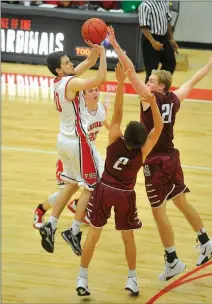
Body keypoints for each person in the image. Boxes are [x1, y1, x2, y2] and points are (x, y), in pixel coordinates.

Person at [107, 27, 212, 281]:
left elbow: (128, 69)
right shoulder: (174, 98)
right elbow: (192, 81)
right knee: (181, 200)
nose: (146, 82)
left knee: (158, 210)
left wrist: (115, 45)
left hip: (155, 161)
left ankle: (172, 259)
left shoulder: (148, 98)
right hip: (173, 158)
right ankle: (205, 240)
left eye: (150, 80)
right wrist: (210, 65)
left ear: (159, 86)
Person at [75, 62, 163, 297]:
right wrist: (153, 103)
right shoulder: (142, 152)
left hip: (104, 190)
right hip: (125, 196)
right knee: (128, 238)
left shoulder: (114, 139)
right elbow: (159, 127)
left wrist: (122, 83)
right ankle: (132, 279)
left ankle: (82, 278)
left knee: (93, 234)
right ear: (141, 141)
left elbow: (118, 113)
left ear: (125, 134)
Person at [39, 43, 107, 254]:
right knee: (91, 186)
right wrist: (104, 55)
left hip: (63, 141)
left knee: (69, 185)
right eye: (67, 62)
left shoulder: (60, 80)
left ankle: (50, 224)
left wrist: (96, 49)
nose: (71, 63)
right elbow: (98, 80)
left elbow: (88, 62)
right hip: (79, 141)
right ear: (60, 69)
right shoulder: (70, 83)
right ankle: (74, 231)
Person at [33, 86, 109, 229]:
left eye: (96, 90)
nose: (95, 93)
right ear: (83, 96)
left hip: (90, 152)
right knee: (68, 190)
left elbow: (103, 120)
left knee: (105, 180)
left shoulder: (102, 108)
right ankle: (41, 209)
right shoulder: (78, 113)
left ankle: (78, 204)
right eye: (90, 90)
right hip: (74, 153)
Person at [138, 0, 178, 83]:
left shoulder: (164, 2)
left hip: (164, 37)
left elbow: (168, 22)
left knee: (171, 63)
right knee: (151, 70)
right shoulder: (145, 5)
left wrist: (171, 39)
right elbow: (144, 27)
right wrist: (153, 42)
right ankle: (148, 94)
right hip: (150, 39)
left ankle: (160, 87)